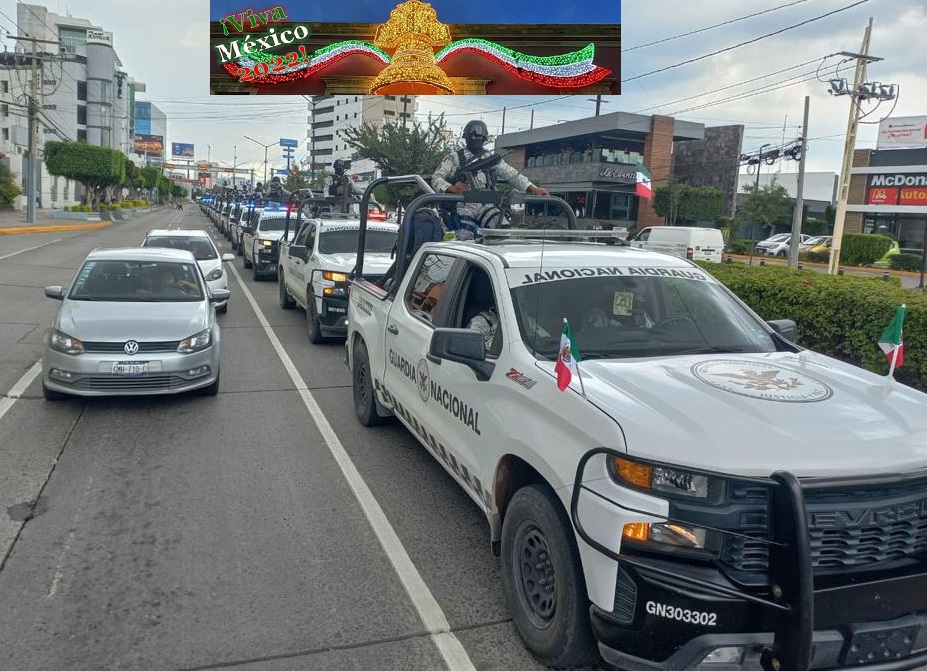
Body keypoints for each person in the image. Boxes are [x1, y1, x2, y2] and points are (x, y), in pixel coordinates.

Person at [431, 120, 550, 235]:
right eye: (470, 135)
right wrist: (452, 188)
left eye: (477, 136)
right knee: (464, 239)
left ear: (484, 138)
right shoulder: (454, 157)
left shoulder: (490, 158)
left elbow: (512, 174)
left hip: (488, 204)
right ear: (466, 137)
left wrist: (533, 188)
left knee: (502, 232)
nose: (473, 138)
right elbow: (436, 178)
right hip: (464, 204)